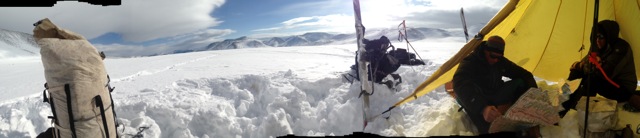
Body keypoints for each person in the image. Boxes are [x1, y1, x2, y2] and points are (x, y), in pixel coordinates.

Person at [452, 35, 539, 135]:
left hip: (494, 93)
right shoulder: (471, 61)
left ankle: (525, 117)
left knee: (521, 82)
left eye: (499, 57)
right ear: (485, 50)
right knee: (493, 131)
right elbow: (459, 84)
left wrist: (535, 96)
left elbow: (525, 75)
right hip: (478, 99)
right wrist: (482, 108)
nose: (496, 60)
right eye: (493, 56)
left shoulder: (499, 61)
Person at [559, 20, 638, 116]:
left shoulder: (621, 48)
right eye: (595, 37)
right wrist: (579, 66)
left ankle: (579, 110)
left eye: (601, 37)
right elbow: (585, 63)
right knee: (576, 72)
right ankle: (562, 103)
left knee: (593, 79)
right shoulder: (596, 46)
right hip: (606, 81)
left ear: (609, 36)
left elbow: (605, 73)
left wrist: (585, 66)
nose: (597, 40)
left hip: (623, 88)